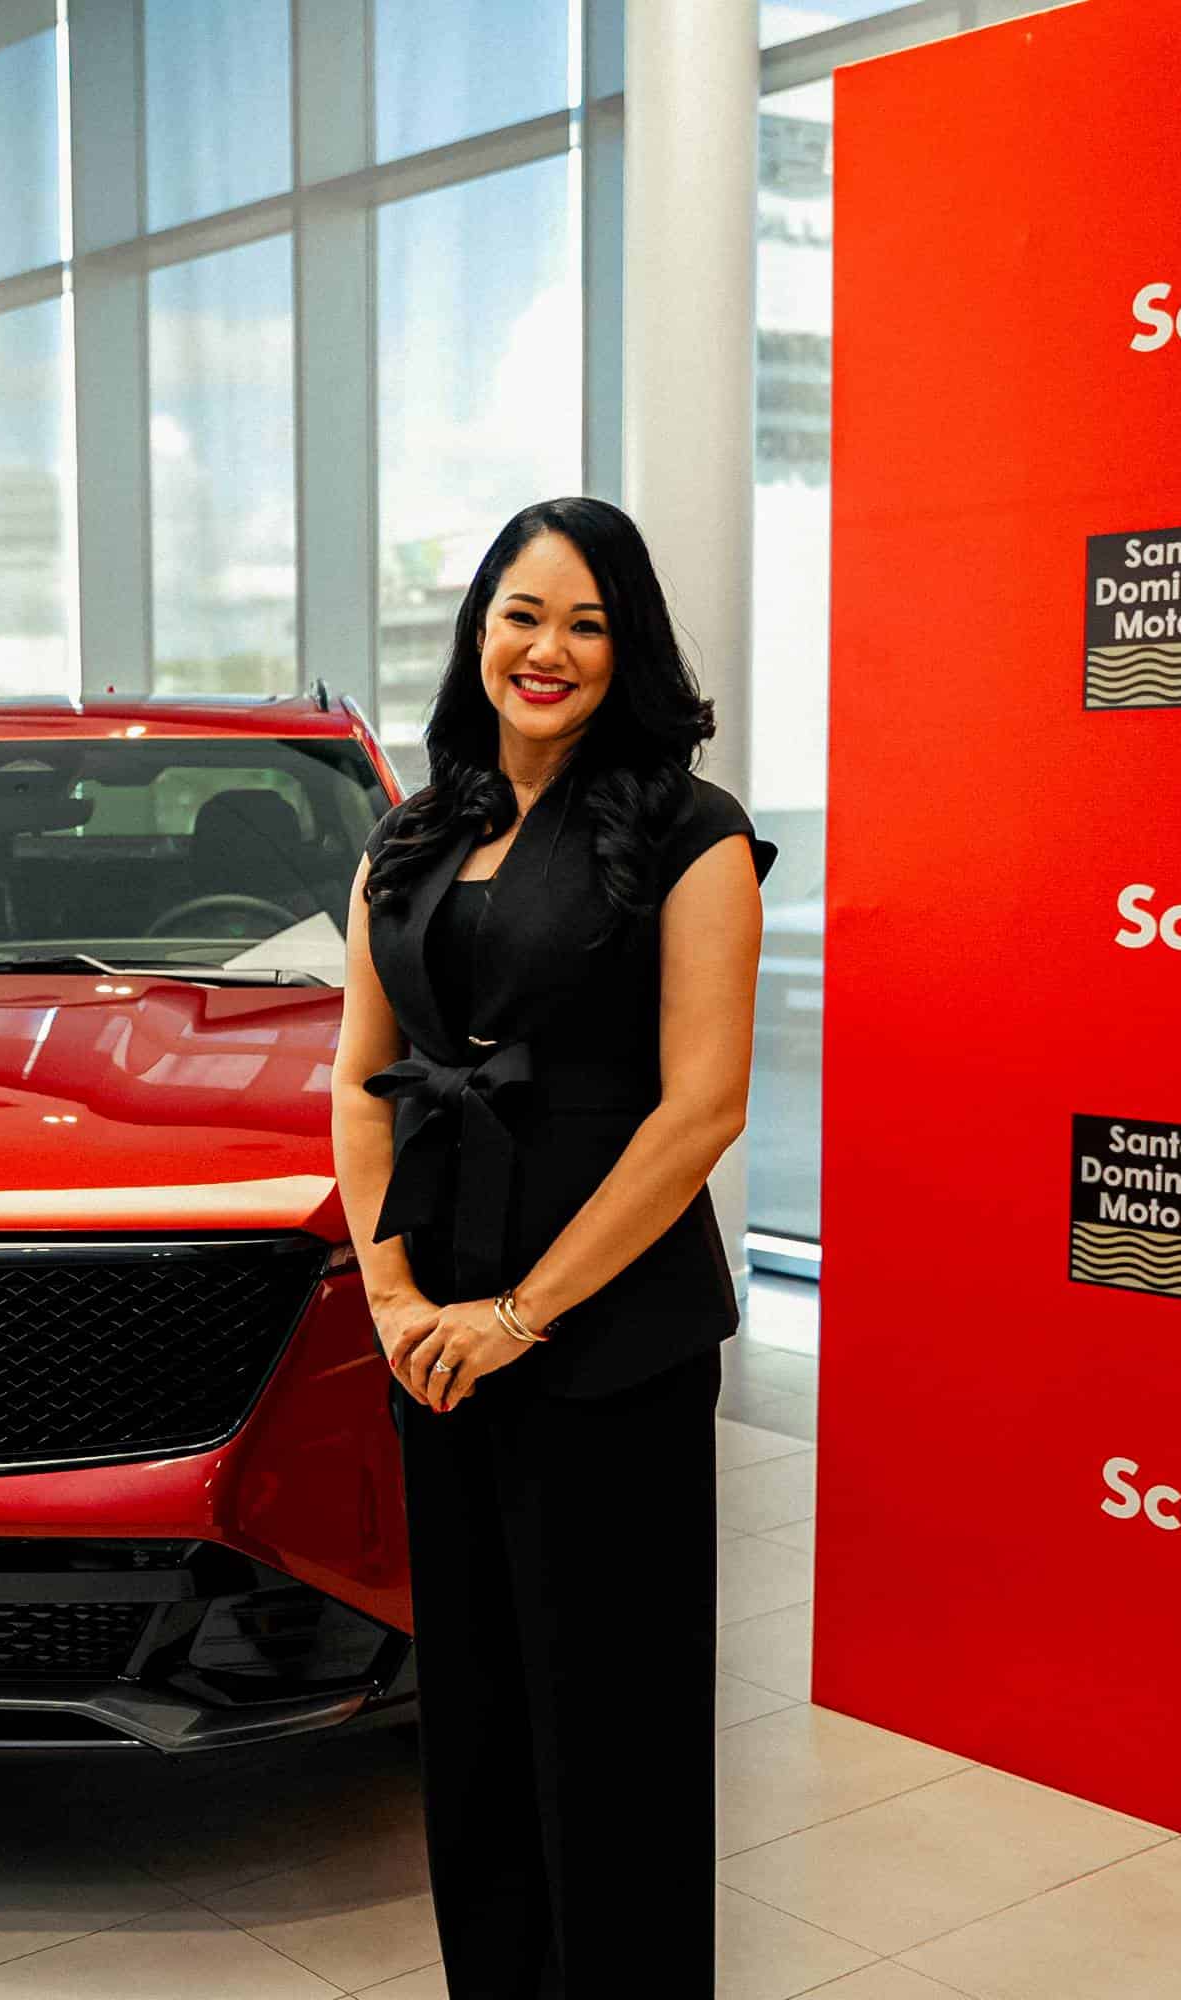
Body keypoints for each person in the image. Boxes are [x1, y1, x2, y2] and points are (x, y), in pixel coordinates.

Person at [329, 496, 770, 1996]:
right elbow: (355, 1075)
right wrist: (393, 1295)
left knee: (615, 1747)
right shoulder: (411, 833)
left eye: (588, 623)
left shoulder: (691, 831)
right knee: (476, 1737)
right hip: (436, 1335)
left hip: (607, 1342)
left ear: (626, 646)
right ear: (478, 631)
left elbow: (703, 1106)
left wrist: (523, 1311)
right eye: (524, 613)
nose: (550, 649)